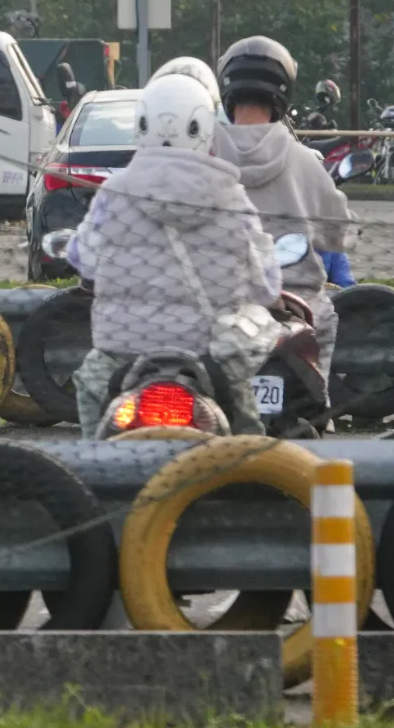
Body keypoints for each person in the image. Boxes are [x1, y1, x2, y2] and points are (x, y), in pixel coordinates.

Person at [68, 72, 281, 438]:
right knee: (249, 441)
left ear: (142, 124)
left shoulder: (114, 192)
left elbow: (83, 258)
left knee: (89, 389)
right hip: (210, 356)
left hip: (122, 352)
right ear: (205, 127)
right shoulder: (232, 198)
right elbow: (265, 286)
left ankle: (94, 479)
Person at [213, 36, 353, 396]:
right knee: (324, 324)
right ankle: (318, 411)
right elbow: (339, 235)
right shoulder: (304, 160)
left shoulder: (204, 157)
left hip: (218, 303)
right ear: (282, 93)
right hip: (296, 308)